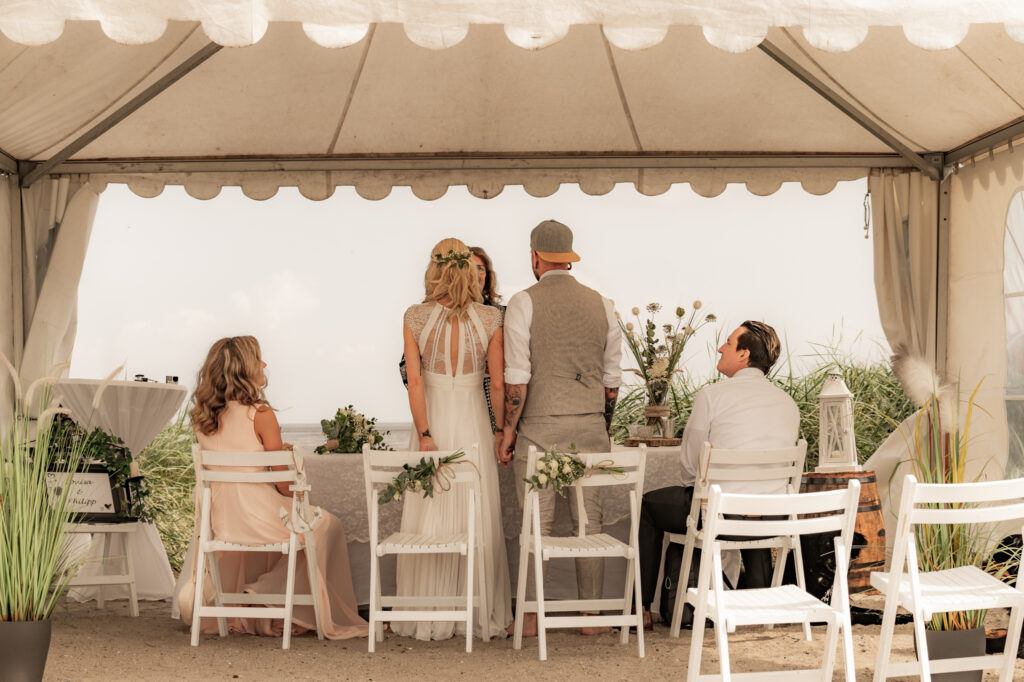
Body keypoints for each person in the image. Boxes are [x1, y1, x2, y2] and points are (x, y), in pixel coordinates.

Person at [175, 336, 367, 640]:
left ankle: (256, 602)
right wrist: (299, 485)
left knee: (285, 523)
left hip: (223, 522)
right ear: (245, 369)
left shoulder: (203, 418)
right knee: (326, 525)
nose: (265, 364)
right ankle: (263, 593)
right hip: (257, 519)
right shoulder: (260, 414)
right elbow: (282, 483)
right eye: (259, 359)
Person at [497, 219, 622, 637]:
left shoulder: (522, 302)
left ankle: (530, 616)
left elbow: (517, 377)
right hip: (590, 429)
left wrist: (508, 429)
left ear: (534, 257)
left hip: (539, 430)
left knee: (537, 524)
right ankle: (590, 618)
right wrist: (599, 425)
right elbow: (611, 382)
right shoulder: (603, 304)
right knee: (590, 524)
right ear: (568, 258)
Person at [637, 320, 800, 628]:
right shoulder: (788, 403)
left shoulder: (711, 396)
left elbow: (690, 464)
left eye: (728, 342)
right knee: (749, 506)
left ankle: (642, 607)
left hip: (718, 514)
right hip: (770, 518)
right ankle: (756, 603)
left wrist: (697, 501)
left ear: (744, 354)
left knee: (649, 505)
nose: (721, 348)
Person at [395, 238, 513, 641]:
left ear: (435, 269)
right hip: (473, 420)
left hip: (432, 421)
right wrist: (501, 429)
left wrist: (425, 434)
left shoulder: (414, 317)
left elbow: (414, 381)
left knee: (428, 511)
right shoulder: (490, 320)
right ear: (467, 269)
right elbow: (496, 382)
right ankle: (479, 611)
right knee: (474, 510)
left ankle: (425, 612)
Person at [400, 246, 504, 431]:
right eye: (472, 268)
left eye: (481, 268)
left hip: (490, 414)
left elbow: (511, 372)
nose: (476, 273)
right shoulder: (424, 316)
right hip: (438, 406)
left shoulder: (501, 315)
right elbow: (408, 371)